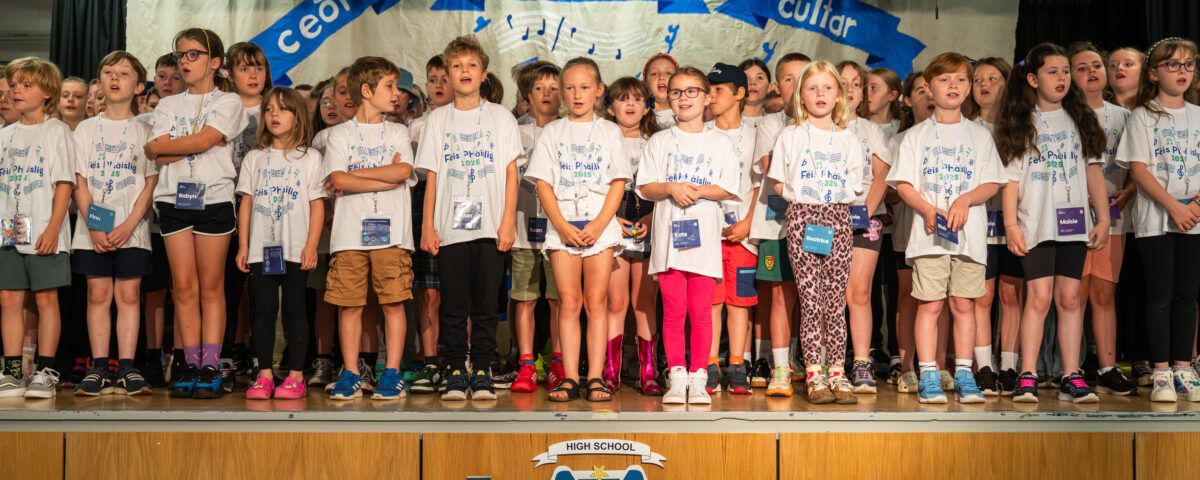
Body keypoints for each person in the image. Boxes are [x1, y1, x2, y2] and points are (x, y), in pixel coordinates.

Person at [887, 52, 1006, 404]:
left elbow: (992, 183)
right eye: (943, 80)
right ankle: (928, 374)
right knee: (930, 305)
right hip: (928, 238)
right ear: (928, 89)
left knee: (964, 305)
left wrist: (965, 199)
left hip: (968, 239)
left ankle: (965, 373)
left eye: (959, 80)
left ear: (968, 88)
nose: (952, 86)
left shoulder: (980, 136)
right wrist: (925, 207)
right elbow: (904, 184)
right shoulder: (915, 136)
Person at [995, 43, 1110, 404]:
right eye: (1052, 72)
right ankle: (1026, 373)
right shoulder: (1022, 121)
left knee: (1071, 297)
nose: (1061, 78)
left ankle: (1071, 374)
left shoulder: (1081, 119)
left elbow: (1093, 173)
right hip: (1036, 223)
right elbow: (1010, 181)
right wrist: (1012, 225)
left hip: (1074, 224)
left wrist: (1103, 217)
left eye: (1065, 72)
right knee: (1039, 297)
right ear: (1032, 78)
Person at [144, 28, 248, 399]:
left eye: (192, 55)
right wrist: (193, 143)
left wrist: (177, 146)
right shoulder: (169, 104)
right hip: (174, 200)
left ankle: (210, 363)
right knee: (183, 287)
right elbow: (153, 149)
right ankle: (188, 363)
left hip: (214, 200)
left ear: (214, 62)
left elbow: (201, 142)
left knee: (211, 287)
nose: (183, 62)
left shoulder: (229, 102)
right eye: (179, 55)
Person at [415, 35, 520, 401]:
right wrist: (428, 225)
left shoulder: (500, 117)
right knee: (455, 304)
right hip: (450, 228)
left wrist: (507, 222)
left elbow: (511, 174)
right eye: (456, 66)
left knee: (487, 304)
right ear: (446, 74)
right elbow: (431, 176)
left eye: (471, 66)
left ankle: (483, 370)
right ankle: (457, 368)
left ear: (484, 74)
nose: (464, 72)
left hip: (491, 226)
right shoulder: (437, 120)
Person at [526, 57, 630, 402]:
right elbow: (543, 183)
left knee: (595, 302)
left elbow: (618, 183)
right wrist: (561, 225)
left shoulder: (610, 131)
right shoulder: (552, 132)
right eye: (568, 88)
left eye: (584, 87)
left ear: (599, 90)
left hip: (599, 226)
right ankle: (570, 377)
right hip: (563, 227)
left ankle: (596, 377)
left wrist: (601, 224)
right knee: (568, 301)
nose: (576, 94)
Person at [637, 66, 739, 405]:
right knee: (673, 310)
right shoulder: (659, 140)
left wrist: (695, 191)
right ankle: (676, 375)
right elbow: (646, 187)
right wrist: (670, 187)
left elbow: (728, 187)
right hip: (669, 239)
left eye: (692, 91)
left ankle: (699, 376)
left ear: (707, 97)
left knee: (701, 310)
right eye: (677, 92)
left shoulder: (720, 142)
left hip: (705, 238)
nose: (683, 98)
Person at [767, 60, 865, 404]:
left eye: (827, 87)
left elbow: (857, 183)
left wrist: (833, 200)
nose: (820, 94)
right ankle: (813, 374)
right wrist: (803, 199)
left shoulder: (850, 138)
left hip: (838, 217)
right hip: (803, 218)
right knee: (810, 300)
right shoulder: (791, 135)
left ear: (839, 95)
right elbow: (778, 181)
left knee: (835, 302)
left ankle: (837, 372)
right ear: (800, 96)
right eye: (812, 88)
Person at [323, 56, 417, 401]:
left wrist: (353, 176)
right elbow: (335, 179)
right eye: (389, 86)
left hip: (392, 233)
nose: (397, 94)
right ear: (366, 90)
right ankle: (350, 372)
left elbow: (403, 173)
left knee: (393, 302)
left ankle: (391, 373)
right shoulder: (338, 135)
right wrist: (382, 174)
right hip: (349, 232)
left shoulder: (398, 131)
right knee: (349, 304)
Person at [1117, 37, 1200, 403]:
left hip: (1195, 217)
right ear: (1154, 73)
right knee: (1160, 296)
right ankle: (1162, 370)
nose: (1182, 71)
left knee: (1187, 295)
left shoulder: (1198, 114)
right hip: (1156, 219)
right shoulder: (1143, 115)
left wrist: (1195, 206)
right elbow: (1139, 169)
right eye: (1173, 64)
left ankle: (1184, 366)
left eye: (1188, 64)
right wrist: (1174, 206)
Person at [69, 51, 157, 396]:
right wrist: (94, 225)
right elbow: (79, 180)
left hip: (132, 228)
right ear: (100, 80)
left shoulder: (147, 127)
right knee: (98, 293)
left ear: (139, 85)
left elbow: (150, 182)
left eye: (123, 73)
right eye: (108, 72)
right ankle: (100, 367)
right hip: (94, 228)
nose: (115, 78)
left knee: (129, 294)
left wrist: (130, 223)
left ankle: (129, 367)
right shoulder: (87, 129)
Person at [236, 87, 326, 400]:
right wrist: (243, 246)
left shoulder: (311, 158)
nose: (275, 115)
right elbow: (246, 202)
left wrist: (312, 244)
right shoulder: (254, 158)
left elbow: (317, 205)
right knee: (262, 310)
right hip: (262, 249)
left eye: (283, 109)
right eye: (270, 109)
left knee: (295, 308)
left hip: (295, 248)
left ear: (298, 116)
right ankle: (264, 374)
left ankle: (296, 375)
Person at [0, 57, 76, 398]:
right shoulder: (5, 133)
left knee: (46, 299)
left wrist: (53, 228)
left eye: (25, 84)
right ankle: (13, 371)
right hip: (9, 231)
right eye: (13, 84)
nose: (16, 90)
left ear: (47, 92)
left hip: (45, 229)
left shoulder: (56, 130)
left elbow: (64, 183)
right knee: (9, 298)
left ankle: (45, 371)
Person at [1068, 41, 1138, 396]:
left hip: (1113, 216)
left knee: (1104, 293)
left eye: (1097, 65)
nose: (1092, 72)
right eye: (1081, 67)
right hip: (1071, 218)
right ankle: (1073, 367)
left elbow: (1137, 167)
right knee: (1074, 295)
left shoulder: (1124, 116)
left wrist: (1125, 193)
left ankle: (1108, 366)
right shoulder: (1064, 117)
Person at [746, 52, 809, 396]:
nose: (797, 86)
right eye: (788, 79)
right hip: (776, 225)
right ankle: (779, 366)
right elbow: (773, 167)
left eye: (804, 78)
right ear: (776, 86)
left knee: (812, 295)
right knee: (781, 296)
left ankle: (812, 362)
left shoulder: (830, 128)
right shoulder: (770, 124)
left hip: (816, 225)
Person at [604, 77, 662, 395]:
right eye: (622, 99)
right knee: (616, 302)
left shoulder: (656, 143)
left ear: (646, 106)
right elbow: (594, 189)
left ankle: (648, 370)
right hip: (613, 225)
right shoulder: (601, 140)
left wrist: (652, 219)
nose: (630, 105)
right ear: (610, 107)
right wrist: (612, 219)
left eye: (637, 99)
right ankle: (610, 369)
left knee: (644, 303)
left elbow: (663, 190)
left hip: (647, 222)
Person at [837, 61, 892, 395]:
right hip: (824, 221)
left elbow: (882, 175)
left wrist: (863, 213)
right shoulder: (816, 128)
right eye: (840, 82)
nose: (848, 89)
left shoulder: (872, 131)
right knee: (829, 296)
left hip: (864, 220)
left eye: (856, 84)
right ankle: (828, 361)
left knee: (858, 292)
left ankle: (861, 363)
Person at [968, 57, 1022, 396]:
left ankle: (1010, 365)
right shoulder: (967, 129)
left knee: (1010, 294)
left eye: (993, 78)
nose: (984, 84)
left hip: (1015, 223)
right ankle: (984, 367)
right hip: (978, 223)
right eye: (977, 80)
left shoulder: (1020, 128)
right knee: (983, 296)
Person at [704, 63, 758, 395]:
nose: (711, 96)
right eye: (708, 90)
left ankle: (737, 363)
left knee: (740, 301)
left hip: (745, 234)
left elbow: (762, 184)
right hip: (708, 234)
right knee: (712, 301)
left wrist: (749, 222)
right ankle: (710, 362)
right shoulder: (703, 134)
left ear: (740, 93)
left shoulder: (756, 135)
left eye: (719, 89)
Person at [222, 40, 274, 389]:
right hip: (225, 208)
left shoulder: (275, 107)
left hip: (269, 213)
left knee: (263, 291)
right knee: (227, 289)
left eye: (258, 67)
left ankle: (262, 357)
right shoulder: (222, 109)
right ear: (229, 74)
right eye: (244, 68)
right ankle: (226, 352)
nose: (253, 74)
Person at [510, 62, 563, 393]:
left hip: (560, 232)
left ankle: (558, 361)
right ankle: (526, 364)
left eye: (554, 88)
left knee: (559, 300)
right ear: (528, 95)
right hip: (522, 228)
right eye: (539, 88)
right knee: (525, 298)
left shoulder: (571, 131)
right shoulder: (515, 132)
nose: (547, 94)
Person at [643, 53, 679, 129]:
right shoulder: (639, 115)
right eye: (654, 74)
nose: (661, 77)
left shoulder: (687, 113)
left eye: (668, 73)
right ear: (645, 83)